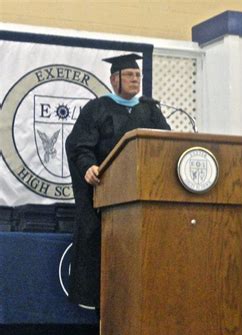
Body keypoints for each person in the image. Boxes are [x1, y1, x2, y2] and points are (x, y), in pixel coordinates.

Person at [65, 53, 171, 310]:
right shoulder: (97, 109)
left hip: (143, 196)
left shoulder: (149, 109)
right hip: (107, 196)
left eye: (138, 75)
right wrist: (88, 167)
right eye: (130, 75)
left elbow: (166, 143)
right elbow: (79, 145)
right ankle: (103, 312)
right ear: (114, 79)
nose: (136, 80)